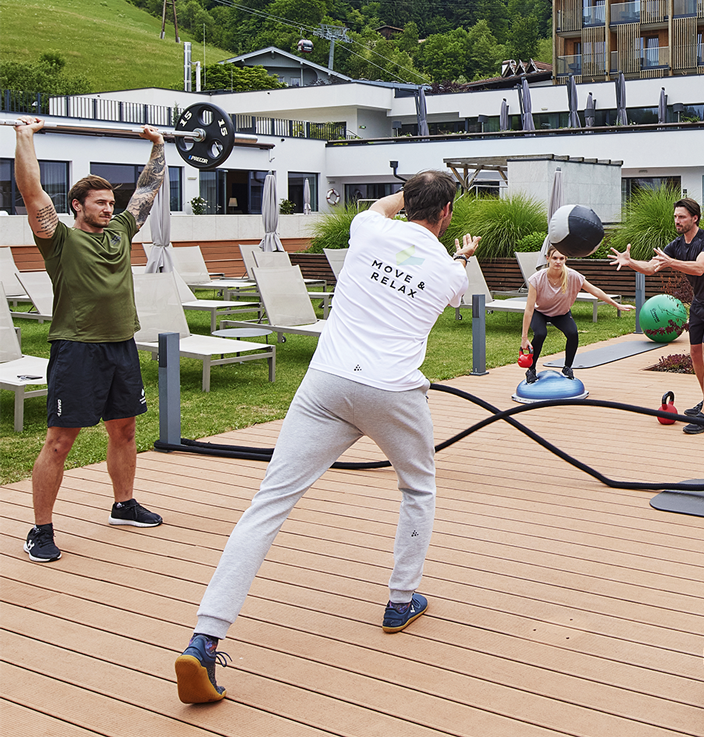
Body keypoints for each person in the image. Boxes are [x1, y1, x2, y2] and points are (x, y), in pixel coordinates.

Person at [174, 171, 481, 705]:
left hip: (328, 383)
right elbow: (451, 277)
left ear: (406, 201)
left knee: (268, 504)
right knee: (418, 488)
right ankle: (400, 601)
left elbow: (384, 209)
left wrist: (409, 193)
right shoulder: (450, 271)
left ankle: (204, 640)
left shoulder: (368, 228)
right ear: (447, 214)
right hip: (392, 391)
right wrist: (462, 254)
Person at [14, 116, 167, 564]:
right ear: (76, 206)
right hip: (76, 348)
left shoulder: (120, 231)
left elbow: (148, 189)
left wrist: (158, 145)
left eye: (110, 202)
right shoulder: (58, 240)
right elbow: (31, 191)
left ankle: (124, 505)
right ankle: (41, 529)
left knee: (125, 429)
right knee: (60, 441)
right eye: (99, 202)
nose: (108, 208)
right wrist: (25, 137)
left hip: (121, 345)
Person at [608, 198, 704, 434]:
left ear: (695, 218)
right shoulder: (676, 245)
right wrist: (630, 262)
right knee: (695, 354)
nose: (677, 221)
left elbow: (700, 267)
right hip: (699, 302)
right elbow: (651, 267)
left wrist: (671, 262)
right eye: (675, 217)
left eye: (682, 217)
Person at [520, 246, 632, 382]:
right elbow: (529, 309)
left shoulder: (573, 276)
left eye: (561, 258)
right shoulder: (537, 279)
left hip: (561, 313)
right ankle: (531, 370)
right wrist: (524, 338)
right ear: (547, 258)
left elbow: (595, 291)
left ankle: (567, 368)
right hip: (540, 312)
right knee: (540, 334)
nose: (558, 261)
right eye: (554, 258)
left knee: (573, 333)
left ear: (565, 259)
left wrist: (617, 305)